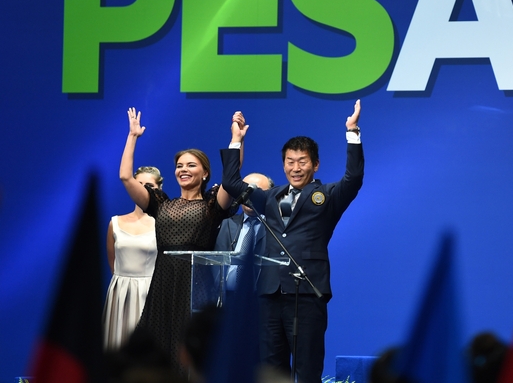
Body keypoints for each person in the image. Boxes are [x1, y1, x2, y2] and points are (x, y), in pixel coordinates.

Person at [220, 100, 364, 383]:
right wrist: (236, 141)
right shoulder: (270, 196)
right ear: (283, 163)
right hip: (269, 293)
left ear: (315, 164)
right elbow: (233, 184)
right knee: (271, 367)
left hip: (307, 292)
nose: (295, 168)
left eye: (302, 161)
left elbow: (354, 178)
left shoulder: (327, 195)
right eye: (290, 161)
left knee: (307, 367)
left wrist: (352, 132)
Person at [119, 107, 246, 373]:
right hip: (163, 283)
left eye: (191, 165)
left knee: (190, 348)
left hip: (196, 284)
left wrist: (236, 140)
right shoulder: (160, 202)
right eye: (179, 166)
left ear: (205, 174)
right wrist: (132, 136)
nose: (183, 170)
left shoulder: (213, 206)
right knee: (156, 349)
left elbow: (231, 180)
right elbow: (125, 177)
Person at [103, 166, 163, 350]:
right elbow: (113, 264)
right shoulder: (115, 223)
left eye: (149, 185)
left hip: (150, 292)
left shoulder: (163, 223)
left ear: (159, 188)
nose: (143, 189)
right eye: (139, 184)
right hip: (120, 292)